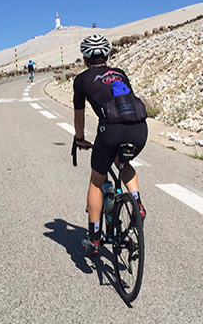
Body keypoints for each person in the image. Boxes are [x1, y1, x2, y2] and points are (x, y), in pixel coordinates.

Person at [73, 34, 149, 254]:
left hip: (111, 130)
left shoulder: (82, 79)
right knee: (122, 161)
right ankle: (137, 204)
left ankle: (95, 239)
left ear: (85, 59)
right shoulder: (120, 73)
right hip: (139, 128)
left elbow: (80, 115)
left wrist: (79, 139)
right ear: (107, 55)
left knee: (97, 181)